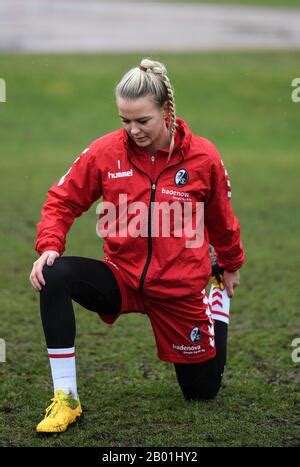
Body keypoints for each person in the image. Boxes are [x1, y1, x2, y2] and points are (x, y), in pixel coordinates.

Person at [29, 58, 245, 433]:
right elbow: (62, 200)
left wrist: (230, 262)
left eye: (142, 121)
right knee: (54, 274)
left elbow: (221, 219)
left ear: (166, 111)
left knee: (202, 393)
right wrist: (50, 243)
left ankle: (216, 304)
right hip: (122, 277)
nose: (132, 130)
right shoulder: (105, 152)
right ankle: (66, 398)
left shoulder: (203, 157)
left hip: (179, 289)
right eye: (124, 121)